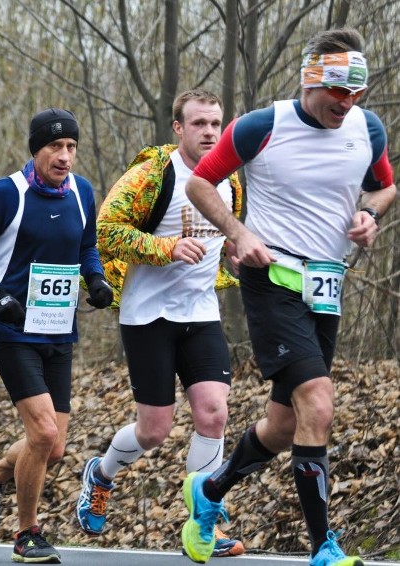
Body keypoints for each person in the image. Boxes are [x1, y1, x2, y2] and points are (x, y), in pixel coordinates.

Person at [178, 28, 395, 566]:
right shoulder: (261, 126)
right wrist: (238, 232)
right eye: (337, 93)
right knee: (318, 401)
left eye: (355, 93)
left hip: (326, 285)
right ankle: (323, 547)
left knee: (284, 424)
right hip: (270, 277)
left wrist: (371, 215)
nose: (346, 104)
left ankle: (207, 494)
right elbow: (200, 184)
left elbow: (385, 186)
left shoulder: (367, 128)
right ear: (310, 80)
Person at [75, 89, 245, 558]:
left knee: (214, 412)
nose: (209, 132)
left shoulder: (230, 177)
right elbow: (103, 231)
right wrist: (165, 248)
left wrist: (235, 249)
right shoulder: (152, 174)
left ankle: (204, 520)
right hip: (148, 315)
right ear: (178, 128)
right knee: (154, 431)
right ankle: (101, 474)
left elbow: (228, 231)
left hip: (201, 312)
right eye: (199, 124)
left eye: (215, 123)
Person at [0, 108, 113, 564]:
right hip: (12, 331)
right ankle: (27, 535)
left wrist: (95, 280)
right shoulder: (7, 195)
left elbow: (86, 247)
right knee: (41, 432)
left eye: (71, 148)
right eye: (55, 148)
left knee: (54, 447)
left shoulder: (82, 192)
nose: (65, 157)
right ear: (36, 149)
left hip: (59, 330)